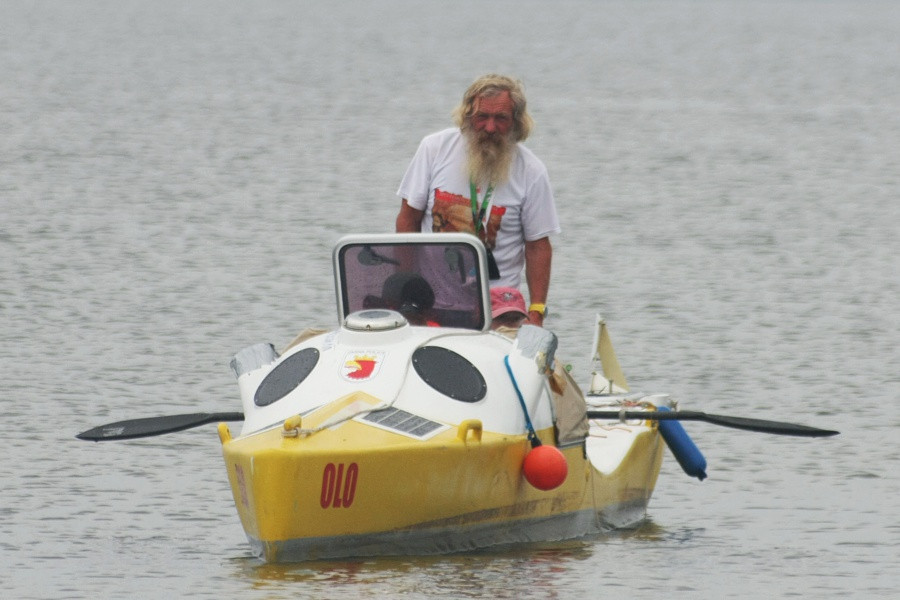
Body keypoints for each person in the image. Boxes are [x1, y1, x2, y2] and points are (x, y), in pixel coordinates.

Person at [395, 74, 560, 327]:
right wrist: (407, 290)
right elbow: (408, 220)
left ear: (516, 122)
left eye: (501, 119)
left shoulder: (532, 171)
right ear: (467, 116)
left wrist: (536, 312)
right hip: (432, 299)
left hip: (499, 306)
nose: (490, 127)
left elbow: (538, 246)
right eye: (482, 116)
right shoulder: (434, 149)